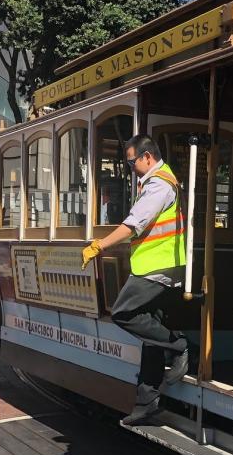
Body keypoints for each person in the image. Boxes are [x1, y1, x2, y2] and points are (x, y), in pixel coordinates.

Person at [80, 135, 189, 425]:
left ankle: (178, 346)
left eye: (131, 162)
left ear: (147, 157)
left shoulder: (159, 184)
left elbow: (134, 223)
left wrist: (99, 246)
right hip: (157, 264)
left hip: (159, 267)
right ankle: (146, 401)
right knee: (149, 328)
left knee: (124, 312)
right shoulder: (157, 181)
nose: (130, 167)